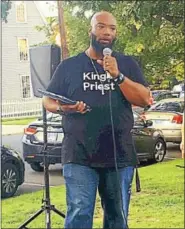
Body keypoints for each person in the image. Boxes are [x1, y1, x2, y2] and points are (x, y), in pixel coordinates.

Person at [43, 11, 150, 229]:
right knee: (80, 213)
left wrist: (117, 76)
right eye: (101, 27)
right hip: (79, 154)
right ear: (90, 30)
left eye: (112, 28)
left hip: (119, 154)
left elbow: (144, 99)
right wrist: (65, 107)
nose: (107, 32)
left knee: (117, 218)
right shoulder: (69, 66)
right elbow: (47, 101)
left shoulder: (126, 64)